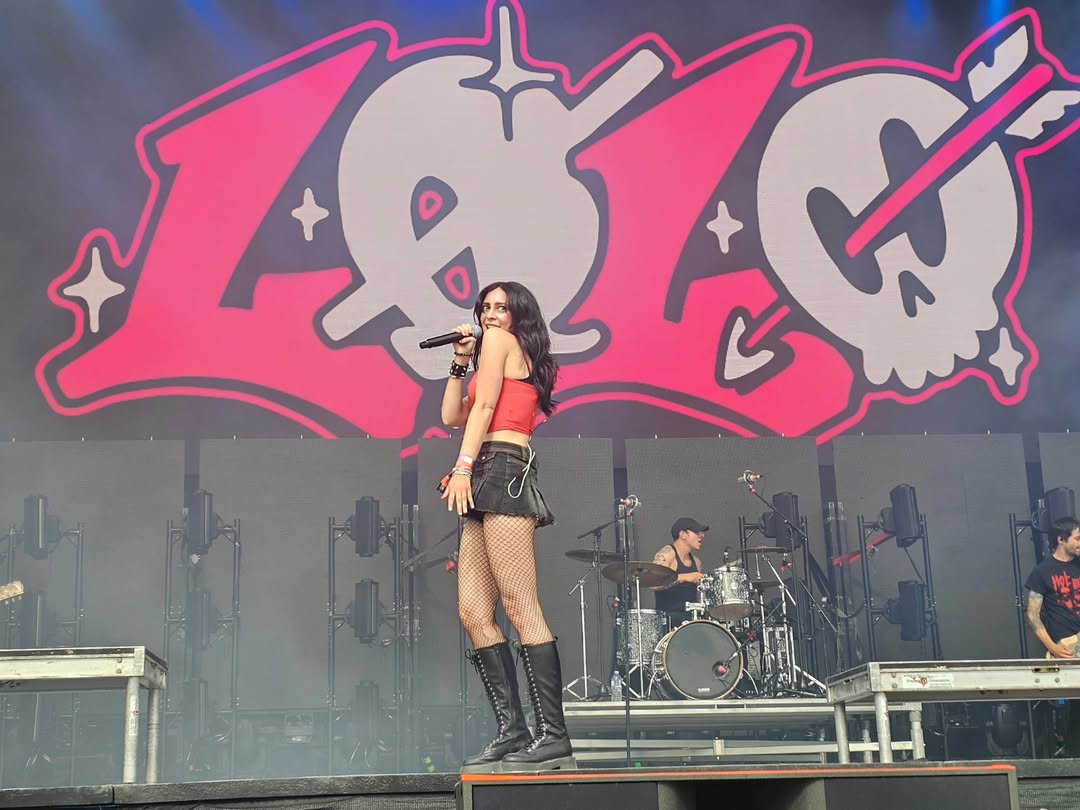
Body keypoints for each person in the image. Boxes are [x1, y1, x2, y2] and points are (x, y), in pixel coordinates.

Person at [440, 281, 574, 772]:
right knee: (474, 611)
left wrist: (461, 467)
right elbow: (452, 414)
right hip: (485, 466)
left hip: (502, 467)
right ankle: (513, 729)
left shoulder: (500, 341)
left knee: (519, 602)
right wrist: (460, 360)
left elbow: (482, 411)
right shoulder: (487, 352)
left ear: (519, 315)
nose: (491, 315)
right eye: (485, 308)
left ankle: (553, 735)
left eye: (501, 307)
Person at [1025, 517, 1080, 753]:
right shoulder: (1042, 572)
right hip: (1066, 646)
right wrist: (1053, 647)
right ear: (1061, 539)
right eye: (1077, 538)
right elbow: (1032, 615)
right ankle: (1073, 752)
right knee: (1075, 706)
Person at [651, 517, 708, 629]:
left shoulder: (697, 562)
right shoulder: (667, 553)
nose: (702, 535)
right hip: (669, 619)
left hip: (692, 617)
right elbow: (653, 583)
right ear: (683, 534)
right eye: (697, 532)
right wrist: (685, 577)